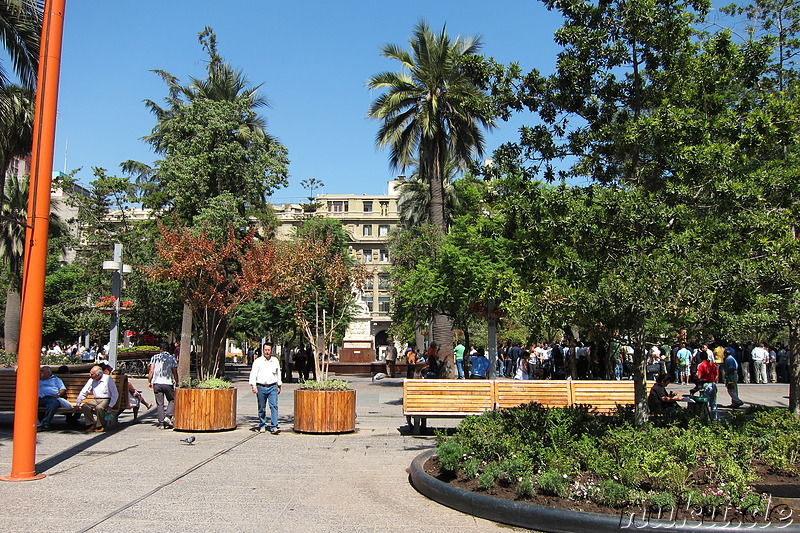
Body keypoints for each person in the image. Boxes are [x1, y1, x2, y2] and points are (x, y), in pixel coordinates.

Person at [249, 343, 282, 434]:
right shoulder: (258, 361)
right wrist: (253, 386)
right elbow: (253, 374)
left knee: (274, 406)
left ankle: (274, 426)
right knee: (261, 407)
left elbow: (278, 373)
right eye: (265, 350)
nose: (267, 352)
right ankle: (262, 424)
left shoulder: (275, 361)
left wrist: (279, 385)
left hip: (272, 387)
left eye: (268, 350)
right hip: (261, 387)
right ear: (263, 350)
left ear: (271, 350)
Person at [75, 365, 119, 432]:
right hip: (96, 399)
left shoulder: (107, 379)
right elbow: (85, 391)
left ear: (98, 375)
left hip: (106, 399)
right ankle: (92, 424)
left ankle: (101, 425)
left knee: (99, 408)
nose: (90, 375)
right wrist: (78, 403)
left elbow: (115, 393)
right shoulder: (91, 380)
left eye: (92, 374)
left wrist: (111, 405)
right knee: (85, 406)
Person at [148, 343, 178, 429]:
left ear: (161, 349)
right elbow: (175, 371)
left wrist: (149, 381)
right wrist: (177, 381)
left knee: (160, 403)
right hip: (168, 382)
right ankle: (168, 416)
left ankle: (161, 422)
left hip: (157, 382)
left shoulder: (155, 357)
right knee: (172, 399)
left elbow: (151, 371)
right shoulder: (172, 358)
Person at [38, 366, 68, 430]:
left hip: (50, 398)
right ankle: (34, 423)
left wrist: (58, 394)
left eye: (42, 371)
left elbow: (63, 389)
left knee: (53, 403)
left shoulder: (56, 379)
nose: (40, 372)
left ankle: (45, 424)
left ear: (48, 372)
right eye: (40, 371)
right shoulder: (37, 379)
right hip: (38, 398)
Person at [695, 351, 719, 421]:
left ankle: (707, 419)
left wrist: (695, 376)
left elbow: (699, 377)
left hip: (705, 384)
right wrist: (714, 380)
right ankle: (715, 418)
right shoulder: (713, 365)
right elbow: (717, 374)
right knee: (713, 403)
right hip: (713, 384)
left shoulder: (701, 365)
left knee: (705, 403)